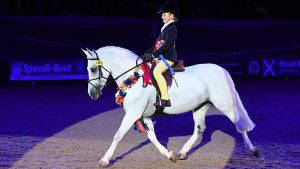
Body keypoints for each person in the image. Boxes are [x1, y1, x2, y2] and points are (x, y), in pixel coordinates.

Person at [144, 1, 179, 108]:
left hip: (169, 57)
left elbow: (166, 46)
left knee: (157, 71)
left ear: (172, 15)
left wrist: (153, 55)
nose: (162, 17)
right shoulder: (164, 28)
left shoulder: (172, 29)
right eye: (162, 15)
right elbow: (157, 44)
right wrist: (147, 54)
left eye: (164, 15)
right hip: (162, 56)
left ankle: (165, 99)